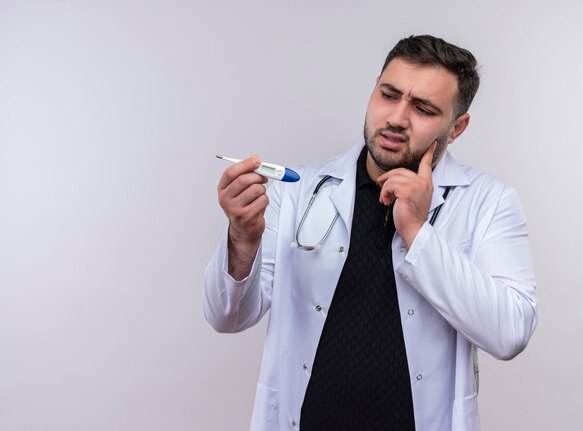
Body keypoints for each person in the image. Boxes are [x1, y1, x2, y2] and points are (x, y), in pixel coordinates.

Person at [204, 35, 537, 431]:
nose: (397, 117)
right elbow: (227, 317)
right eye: (389, 94)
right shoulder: (299, 192)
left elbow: (510, 333)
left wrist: (417, 232)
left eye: (423, 108)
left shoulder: (488, 201)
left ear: (458, 126)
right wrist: (242, 238)